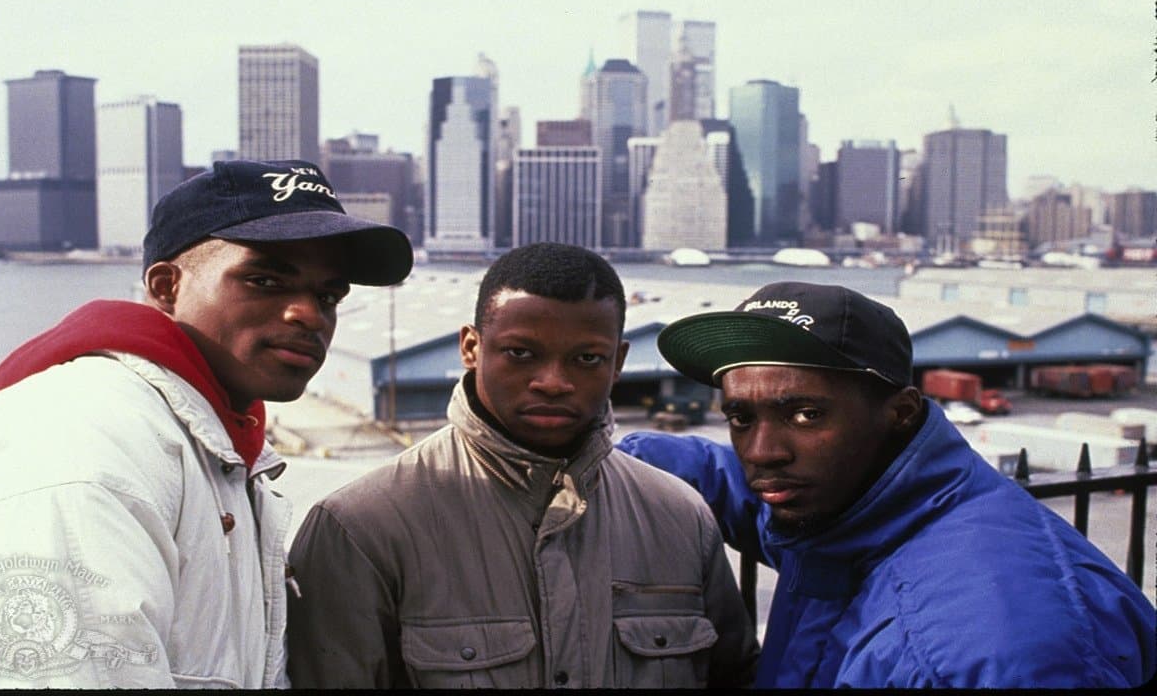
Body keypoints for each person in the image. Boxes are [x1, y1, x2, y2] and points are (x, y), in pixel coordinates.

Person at [0, 160, 413, 688]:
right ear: (165, 287)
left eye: (328, 295)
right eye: (265, 279)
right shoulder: (81, 454)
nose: (309, 315)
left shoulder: (204, 447)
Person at [616, 281, 1157, 688]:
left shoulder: (988, 650)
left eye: (805, 414)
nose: (761, 452)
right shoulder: (849, 512)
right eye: (741, 417)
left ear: (900, 412)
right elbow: (729, 483)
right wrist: (607, 456)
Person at [284, 243, 759, 688]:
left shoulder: (682, 518)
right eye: (521, 353)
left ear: (618, 362)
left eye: (587, 358)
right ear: (471, 348)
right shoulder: (360, 530)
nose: (553, 382)